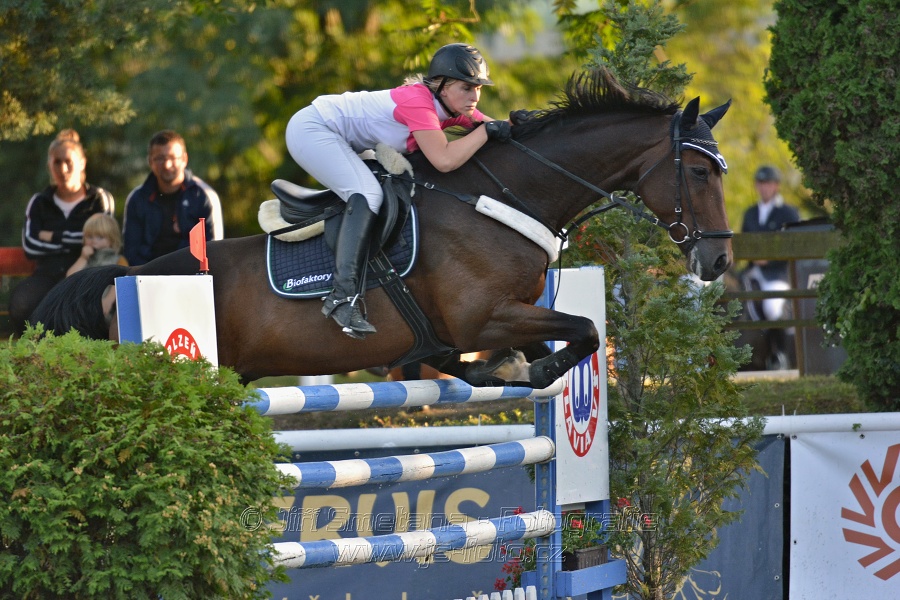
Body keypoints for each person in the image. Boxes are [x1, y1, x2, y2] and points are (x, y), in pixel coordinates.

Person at [285, 43, 511, 339]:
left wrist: (522, 124)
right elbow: (444, 160)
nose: (475, 97)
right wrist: (485, 131)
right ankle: (342, 296)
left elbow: (496, 127)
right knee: (369, 195)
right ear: (443, 87)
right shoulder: (419, 103)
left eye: (478, 88)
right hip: (312, 129)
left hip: (341, 138)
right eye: (467, 88)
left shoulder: (449, 107)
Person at [9, 129, 115, 335]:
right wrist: (80, 239)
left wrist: (52, 236)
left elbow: (106, 240)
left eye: (68, 161)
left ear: (82, 163)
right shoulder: (39, 202)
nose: (63, 168)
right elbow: (31, 246)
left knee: (92, 310)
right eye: (57, 162)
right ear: (49, 165)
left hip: (89, 273)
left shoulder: (99, 198)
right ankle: (35, 350)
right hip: (47, 274)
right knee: (21, 304)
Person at [122, 130, 223, 266]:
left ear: (184, 159)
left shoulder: (204, 196)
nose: (167, 164)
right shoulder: (137, 198)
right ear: (150, 161)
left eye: (173, 158)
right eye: (160, 158)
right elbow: (131, 252)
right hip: (147, 273)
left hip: (191, 274)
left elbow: (214, 251)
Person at [740, 165, 801, 369]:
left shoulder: (788, 213)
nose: (764, 188)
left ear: (776, 186)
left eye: (768, 184)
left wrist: (769, 260)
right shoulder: (750, 213)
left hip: (777, 273)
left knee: (773, 307)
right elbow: (743, 242)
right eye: (761, 183)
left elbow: (793, 246)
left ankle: (779, 354)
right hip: (751, 272)